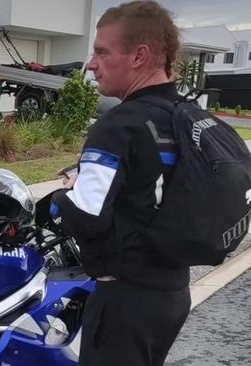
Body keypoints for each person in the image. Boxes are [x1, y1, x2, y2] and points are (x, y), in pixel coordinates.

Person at [50, 1, 191, 365]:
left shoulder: (119, 125)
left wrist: (63, 196)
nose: (91, 64)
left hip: (125, 298)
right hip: (172, 293)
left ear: (139, 56)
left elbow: (87, 215)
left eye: (101, 51)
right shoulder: (182, 115)